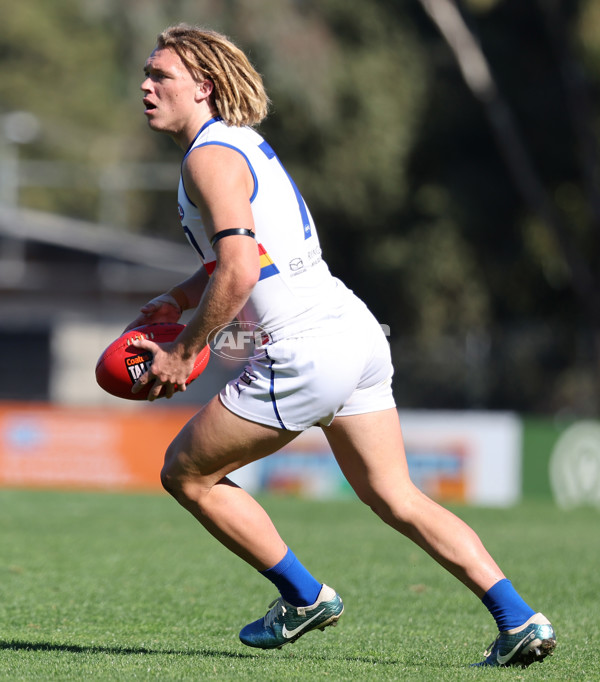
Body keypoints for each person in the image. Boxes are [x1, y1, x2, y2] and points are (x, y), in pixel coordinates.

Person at [127, 23, 556, 666]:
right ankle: (519, 619)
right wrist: (183, 298)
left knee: (186, 474)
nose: (146, 85)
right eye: (148, 72)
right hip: (351, 328)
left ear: (203, 87)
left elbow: (241, 268)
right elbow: (246, 256)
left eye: (160, 75)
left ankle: (303, 597)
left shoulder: (206, 158)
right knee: (397, 496)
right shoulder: (238, 144)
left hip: (303, 347)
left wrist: (187, 351)